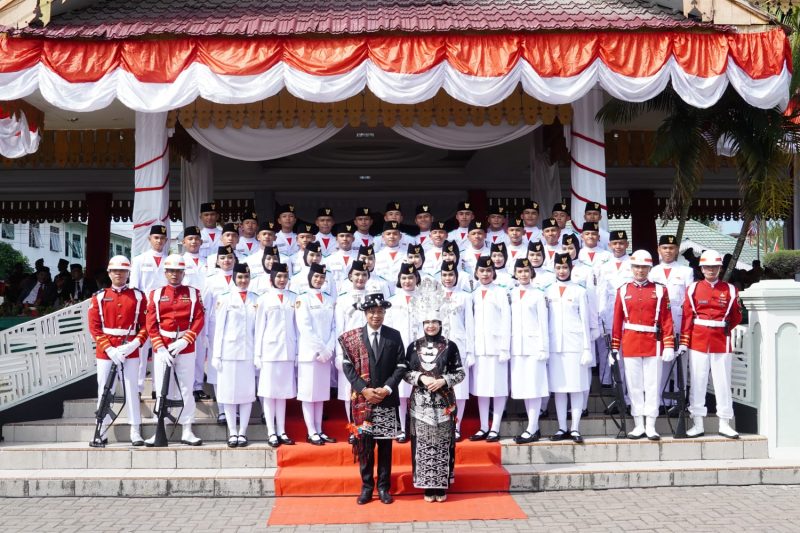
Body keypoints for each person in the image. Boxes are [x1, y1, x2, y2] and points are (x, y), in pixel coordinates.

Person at [340, 289, 407, 505]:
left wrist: (386, 388)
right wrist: (364, 389)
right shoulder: (353, 338)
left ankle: (384, 488)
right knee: (365, 447)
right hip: (363, 401)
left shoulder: (394, 335)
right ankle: (367, 488)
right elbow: (347, 367)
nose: (376, 316)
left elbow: (401, 365)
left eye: (379, 312)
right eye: (372, 312)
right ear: (365, 313)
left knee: (385, 447)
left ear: (384, 313)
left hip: (386, 399)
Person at [679, 249, 743, 439]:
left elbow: (736, 317)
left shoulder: (730, 289)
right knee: (697, 382)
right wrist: (684, 341)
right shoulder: (693, 288)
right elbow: (687, 316)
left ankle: (725, 422)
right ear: (701, 268)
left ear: (720, 268)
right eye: (707, 267)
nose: (711, 270)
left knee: (723, 382)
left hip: (721, 340)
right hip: (698, 340)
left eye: (715, 267)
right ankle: (697, 423)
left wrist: (721, 328)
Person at [611, 250, 675, 440]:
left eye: (644, 267)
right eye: (637, 266)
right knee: (634, 385)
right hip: (630, 341)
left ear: (649, 268)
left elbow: (666, 319)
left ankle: (651, 425)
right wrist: (615, 347)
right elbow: (617, 320)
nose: (640, 270)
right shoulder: (622, 290)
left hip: (653, 342)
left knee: (653, 384)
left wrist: (669, 344)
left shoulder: (660, 289)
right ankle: (638, 424)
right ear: (631, 268)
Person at [86, 255, 148, 446]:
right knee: (105, 389)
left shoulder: (138, 296)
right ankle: (101, 429)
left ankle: (135, 429)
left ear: (128, 273)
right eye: (115, 271)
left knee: (131, 389)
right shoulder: (99, 297)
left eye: (122, 270)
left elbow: (146, 326)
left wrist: (134, 344)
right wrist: (109, 349)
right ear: (109, 273)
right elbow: (94, 328)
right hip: (106, 350)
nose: (118, 274)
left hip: (130, 347)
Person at [144, 254, 205, 446]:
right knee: (162, 388)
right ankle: (159, 426)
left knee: (186, 387)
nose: (174, 275)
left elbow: (199, 318)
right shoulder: (155, 294)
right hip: (163, 346)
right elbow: (150, 322)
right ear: (165, 272)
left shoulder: (194, 293)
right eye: (171, 271)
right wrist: (159, 347)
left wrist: (186, 340)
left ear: (183, 273)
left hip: (185, 347)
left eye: (178, 271)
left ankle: (187, 429)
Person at [404, 312, 465, 503]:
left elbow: (460, 373)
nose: (431, 325)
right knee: (422, 444)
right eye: (427, 321)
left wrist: (443, 381)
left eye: (434, 322)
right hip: (420, 405)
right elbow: (405, 372)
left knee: (442, 444)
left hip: (444, 402)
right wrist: (421, 378)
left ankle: (441, 484)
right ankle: (426, 486)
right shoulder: (413, 346)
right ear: (422, 323)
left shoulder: (450, 345)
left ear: (441, 323)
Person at [546, 253, 593, 443]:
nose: (562, 271)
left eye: (565, 268)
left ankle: (575, 428)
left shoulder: (579, 291)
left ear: (571, 269)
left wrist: (587, 348)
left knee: (576, 388)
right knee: (559, 389)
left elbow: (585, 321)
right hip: (555, 346)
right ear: (554, 269)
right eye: (558, 268)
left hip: (575, 346)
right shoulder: (548, 291)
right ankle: (561, 427)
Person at [211, 263, 258, 447]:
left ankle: (243, 432)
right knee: (228, 394)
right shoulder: (224, 298)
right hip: (228, 353)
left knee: (247, 394)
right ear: (234, 278)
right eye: (239, 277)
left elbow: (258, 329)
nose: (243, 281)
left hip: (249, 352)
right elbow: (219, 328)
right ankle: (232, 432)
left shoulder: (256, 299)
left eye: (246, 277)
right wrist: (217, 355)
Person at [649, 234, 694, 414]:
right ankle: (661, 401)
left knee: (680, 364)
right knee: (660, 363)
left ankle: (679, 401)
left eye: (671, 248)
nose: (668, 251)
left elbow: (689, 300)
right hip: (658, 323)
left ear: (677, 250)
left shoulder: (686, 271)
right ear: (659, 250)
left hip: (679, 321)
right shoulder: (652, 272)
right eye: (664, 248)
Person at [254, 262, 298, 448]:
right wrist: (258, 354)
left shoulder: (294, 298)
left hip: (288, 350)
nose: (282, 280)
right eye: (278, 277)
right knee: (269, 393)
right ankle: (271, 431)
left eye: (285, 277)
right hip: (269, 352)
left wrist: (296, 351)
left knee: (283, 394)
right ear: (271, 279)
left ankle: (281, 429)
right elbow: (259, 327)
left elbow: (296, 327)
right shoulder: (264, 299)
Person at [469, 256, 510, 443]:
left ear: (494, 273)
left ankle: (496, 427)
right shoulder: (474, 294)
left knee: (498, 388)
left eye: (488, 271)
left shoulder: (501, 292)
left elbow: (507, 321)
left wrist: (504, 347)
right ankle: (484, 426)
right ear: (476, 273)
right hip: (479, 348)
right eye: (482, 271)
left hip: (496, 348)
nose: (485, 274)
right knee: (482, 389)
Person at [295, 263, 337, 445]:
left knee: (321, 394)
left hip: (326, 355)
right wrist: (321, 349)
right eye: (316, 277)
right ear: (310, 277)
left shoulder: (329, 299)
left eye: (321, 277)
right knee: (308, 393)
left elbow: (334, 326)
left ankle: (320, 429)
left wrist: (329, 349)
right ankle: (311, 431)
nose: (319, 280)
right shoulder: (302, 299)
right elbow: (305, 327)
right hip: (310, 353)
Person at [509, 258, 549, 443]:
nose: (523, 274)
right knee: (524, 388)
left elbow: (543, 323)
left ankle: (532, 427)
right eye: (520, 271)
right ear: (515, 273)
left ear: (531, 273)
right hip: (517, 347)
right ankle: (534, 427)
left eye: (526, 271)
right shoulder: (511, 293)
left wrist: (544, 347)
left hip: (534, 347)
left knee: (534, 386)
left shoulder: (538, 294)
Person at [384, 263, 422, 442]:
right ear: (399, 280)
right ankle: (400, 427)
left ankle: (417, 426)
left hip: (419, 351)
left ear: (417, 279)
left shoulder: (423, 299)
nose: (407, 281)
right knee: (400, 390)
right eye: (404, 278)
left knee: (417, 389)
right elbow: (388, 327)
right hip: (398, 350)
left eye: (411, 277)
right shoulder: (393, 300)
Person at [129, 224, 168, 394]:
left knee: (160, 349)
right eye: (156, 237)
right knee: (142, 349)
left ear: (166, 240)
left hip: (164, 310)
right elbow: (134, 287)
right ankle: (138, 386)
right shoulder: (139, 259)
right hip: (145, 310)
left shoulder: (170, 260)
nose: (159, 241)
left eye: (162, 238)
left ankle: (156, 386)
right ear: (149, 239)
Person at [439, 260, 474, 439]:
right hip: (439, 347)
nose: (448, 278)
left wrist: (470, 351)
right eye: (444, 274)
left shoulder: (465, 297)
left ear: (457, 277)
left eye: (451, 275)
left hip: (459, 345)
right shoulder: (434, 295)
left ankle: (456, 425)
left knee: (459, 389)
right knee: (441, 386)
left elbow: (470, 325)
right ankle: (443, 423)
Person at [335, 260, 370, 437]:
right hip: (349, 349)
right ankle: (353, 428)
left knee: (369, 387)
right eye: (357, 274)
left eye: (364, 274)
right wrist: (339, 353)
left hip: (369, 349)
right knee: (349, 389)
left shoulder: (373, 296)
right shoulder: (342, 299)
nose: (360, 278)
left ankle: (367, 425)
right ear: (350, 276)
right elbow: (338, 328)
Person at [181, 225, 211, 402]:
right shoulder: (180, 261)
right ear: (184, 242)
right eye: (190, 239)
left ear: (201, 242)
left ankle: (198, 385)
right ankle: (186, 384)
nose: (193, 242)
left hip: (205, 311)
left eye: (196, 239)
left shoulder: (209, 261)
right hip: (187, 312)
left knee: (201, 350)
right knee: (187, 349)